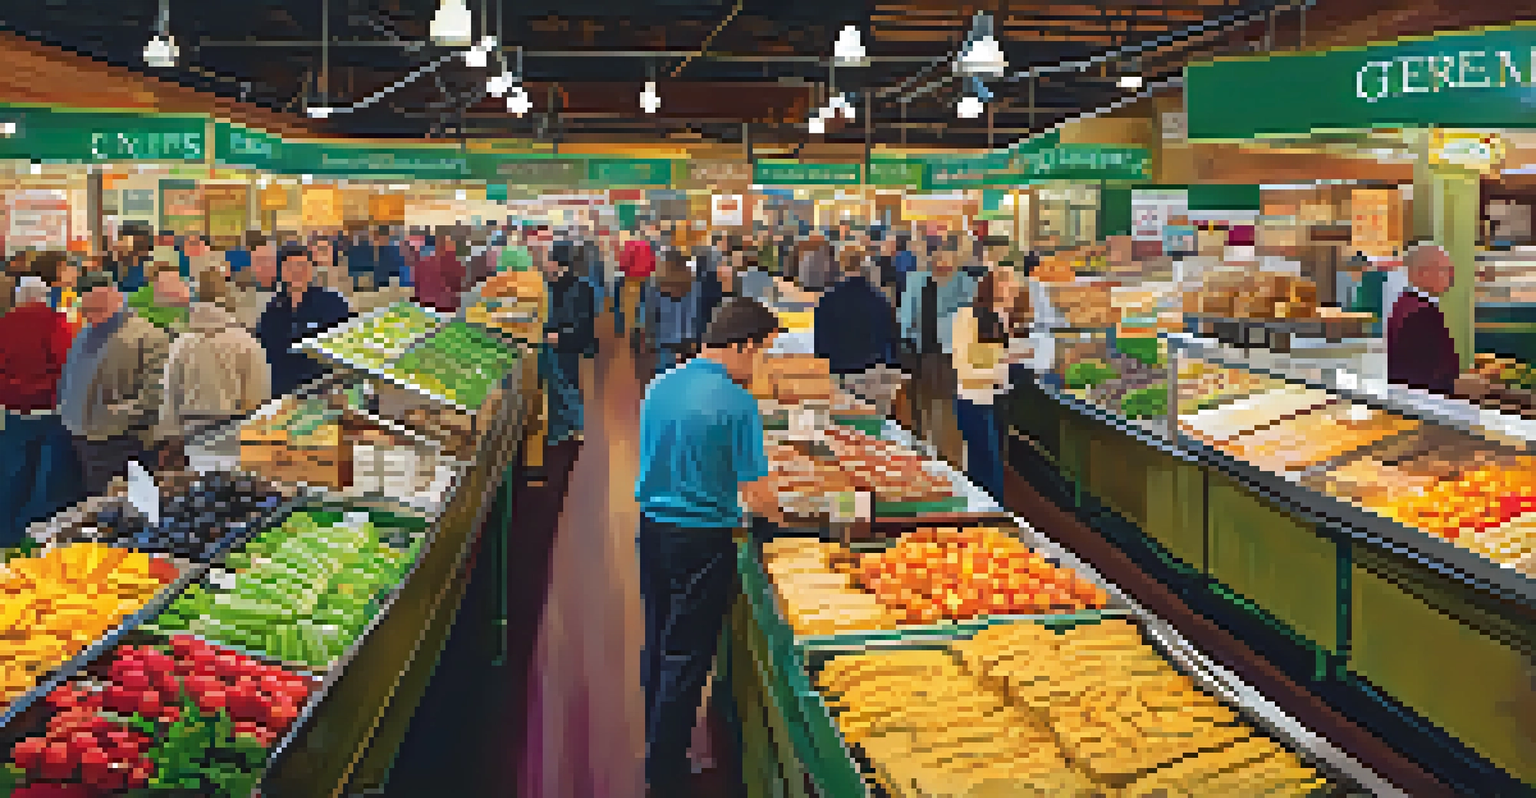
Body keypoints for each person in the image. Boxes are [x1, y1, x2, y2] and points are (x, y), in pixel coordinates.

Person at [634, 296, 782, 797]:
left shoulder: (660, 384)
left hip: (653, 528)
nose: (758, 365)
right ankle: (665, 771)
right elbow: (757, 495)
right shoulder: (738, 404)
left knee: (659, 638)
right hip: (702, 539)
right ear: (741, 346)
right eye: (760, 353)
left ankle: (656, 743)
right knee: (688, 655)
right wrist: (790, 518)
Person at [57, 272, 171, 494]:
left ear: (117, 301)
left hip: (123, 440)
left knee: (124, 503)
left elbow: (157, 394)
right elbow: (69, 377)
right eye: (87, 311)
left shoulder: (149, 337)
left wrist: (115, 415)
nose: (92, 317)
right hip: (83, 437)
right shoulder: (84, 335)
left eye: (98, 310)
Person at [0, 276, 83, 544]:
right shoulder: (57, 323)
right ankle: (45, 537)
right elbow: (68, 364)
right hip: (50, 409)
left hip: (14, 410)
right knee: (51, 476)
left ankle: (7, 536)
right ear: (45, 297)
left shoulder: (4, 323)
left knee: (14, 474)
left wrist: (11, 389)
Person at [157, 274, 271, 459]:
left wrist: (169, 438)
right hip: (235, 434)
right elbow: (257, 397)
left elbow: (170, 395)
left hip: (192, 434)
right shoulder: (246, 343)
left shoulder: (182, 344)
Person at [951, 268, 1031, 500]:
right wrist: (1001, 369)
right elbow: (963, 367)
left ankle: (985, 514)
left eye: (1015, 285)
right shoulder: (969, 317)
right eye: (1007, 284)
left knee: (989, 470)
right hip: (975, 401)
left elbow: (1000, 356)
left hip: (998, 402)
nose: (1014, 290)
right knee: (988, 473)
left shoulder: (1005, 319)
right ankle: (989, 516)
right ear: (991, 287)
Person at [899, 242, 978, 451]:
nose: (941, 263)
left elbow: (970, 317)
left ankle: (946, 451)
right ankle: (922, 446)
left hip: (949, 353)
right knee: (921, 403)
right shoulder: (916, 280)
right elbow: (905, 313)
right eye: (938, 258)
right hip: (920, 350)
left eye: (946, 259)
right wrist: (905, 335)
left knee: (946, 405)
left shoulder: (965, 283)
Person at [257, 245, 351, 396]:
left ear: (311, 270)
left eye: (302, 266)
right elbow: (266, 352)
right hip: (283, 390)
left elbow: (345, 347)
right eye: (291, 267)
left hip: (324, 386)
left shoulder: (332, 302)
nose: (297, 272)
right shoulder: (272, 310)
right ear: (282, 272)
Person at [815, 246, 897, 402]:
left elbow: (820, 343)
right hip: (870, 371)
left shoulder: (827, 299)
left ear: (839, 263)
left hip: (838, 371)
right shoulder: (878, 299)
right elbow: (886, 338)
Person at [1387, 244, 1459, 395]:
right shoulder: (1421, 313)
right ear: (1421, 273)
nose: (1450, 276)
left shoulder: (1404, 303)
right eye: (1444, 269)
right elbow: (1428, 375)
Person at [542, 244, 596, 445]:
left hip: (564, 345)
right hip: (557, 344)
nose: (545, 264)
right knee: (560, 387)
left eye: (549, 260)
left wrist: (559, 337)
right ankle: (563, 429)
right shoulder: (554, 286)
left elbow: (584, 327)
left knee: (564, 385)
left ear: (558, 264)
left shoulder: (577, 289)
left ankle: (572, 427)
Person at [649, 251, 701, 377]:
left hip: (664, 339)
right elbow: (694, 313)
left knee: (663, 377)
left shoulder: (656, 285)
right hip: (687, 338)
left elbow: (653, 313)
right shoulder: (693, 284)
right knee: (686, 377)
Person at [126, 259, 192, 333]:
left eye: (175, 280)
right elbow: (132, 311)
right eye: (167, 280)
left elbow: (186, 323)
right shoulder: (142, 295)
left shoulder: (183, 298)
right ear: (155, 282)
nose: (172, 285)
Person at [619, 223, 658, 342]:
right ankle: (643, 328)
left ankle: (631, 330)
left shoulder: (629, 245)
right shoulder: (648, 245)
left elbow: (624, 263)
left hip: (631, 278)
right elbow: (653, 263)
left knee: (630, 305)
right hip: (645, 277)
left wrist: (624, 270)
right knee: (644, 303)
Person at [414, 233, 467, 313]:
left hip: (423, 307)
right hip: (445, 307)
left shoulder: (423, 262)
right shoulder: (453, 262)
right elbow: (459, 283)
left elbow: (416, 283)